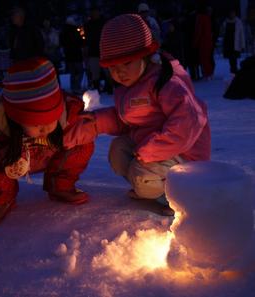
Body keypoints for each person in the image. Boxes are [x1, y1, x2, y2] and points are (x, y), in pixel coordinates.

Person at [66, 14, 211, 214]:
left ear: (145, 57)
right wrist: (98, 122)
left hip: (184, 153)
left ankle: (175, 197)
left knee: (142, 177)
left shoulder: (164, 82)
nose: (120, 72)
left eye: (126, 64)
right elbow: (126, 118)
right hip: (150, 147)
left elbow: (187, 122)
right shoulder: (130, 86)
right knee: (118, 150)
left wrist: (152, 150)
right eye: (114, 67)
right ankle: (150, 186)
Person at [0, 57, 94, 227]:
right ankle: (1, 198)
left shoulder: (67, 111)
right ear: (15, 117)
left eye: (51, 119)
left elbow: (101, 122)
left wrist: (97, 122)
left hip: (48, 155)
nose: (45, 128)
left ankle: (60, 185)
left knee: (84, 132)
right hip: (5, 159)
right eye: (36, 123)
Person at [222, 9, 245, 74]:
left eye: (233, 13)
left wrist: (243, 45)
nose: (232, 15)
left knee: (234, 58)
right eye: (231, 13)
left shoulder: (238, 22)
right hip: (228, 43)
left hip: (235, 43)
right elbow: (223, 32)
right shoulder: (225, 22)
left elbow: (241, 34)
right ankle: (233, 69)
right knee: (230, 58)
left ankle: (234, 69)